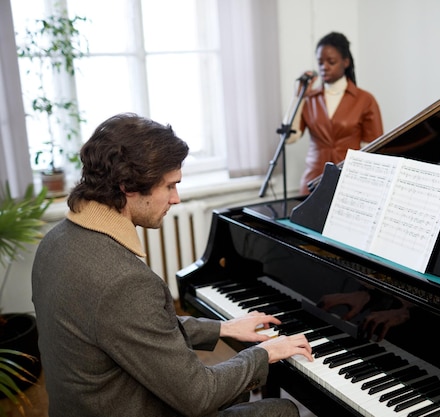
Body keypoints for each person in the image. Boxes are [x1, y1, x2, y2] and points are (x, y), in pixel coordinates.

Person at [31, 113, 313, 417]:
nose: (176, 199)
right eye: (169, 186)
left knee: (237, 387)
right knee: (281, 410)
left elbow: (134, 326)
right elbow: (199, 395)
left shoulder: (55, 241)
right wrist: (265, 353)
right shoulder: (124, 282)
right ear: (128, 186)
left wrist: (223, 328)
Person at [286, 31, 383, 194]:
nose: (324, 67)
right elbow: (289, 137)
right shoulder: (310, 99)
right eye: (320, 62)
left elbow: (374, 148)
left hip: (349, 183)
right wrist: (299, 97)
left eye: (331, 62)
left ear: (345, 62)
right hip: (313, 183)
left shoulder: (365, 99)